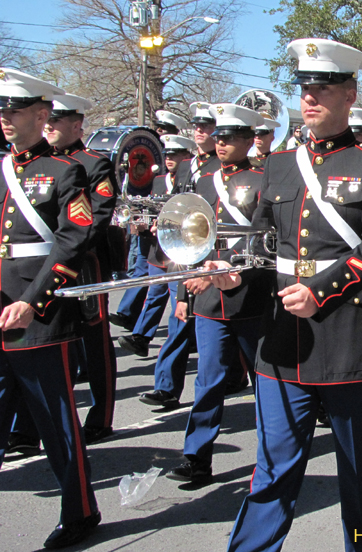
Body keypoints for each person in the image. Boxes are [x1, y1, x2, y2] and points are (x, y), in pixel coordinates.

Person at [224, 39, 362, 552]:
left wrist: (321, 290)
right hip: (281, 341)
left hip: (349, 337)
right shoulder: (279, 165)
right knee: (273, 465)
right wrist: (233, 275)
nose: (310, 98)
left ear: (349, 94)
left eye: (322, 88)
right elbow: (260, 243)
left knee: (358, 467)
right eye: (304, 88)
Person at [0, 68, 100, 548]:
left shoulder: (64, 171)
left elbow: (74, 238)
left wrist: (30, 300)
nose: (4, 118)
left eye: (13, 110)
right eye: (1, 110)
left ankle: (79, 510)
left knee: (55, 421)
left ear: (41, 116)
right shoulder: (1, 169)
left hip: (36, 312)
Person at [165, 103, 269, 484]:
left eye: (229, 138)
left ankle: (272, 457)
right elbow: (188, 241)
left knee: (264, 382)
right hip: (208, 298)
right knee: (207, 380)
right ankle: (197, 456)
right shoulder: (204, 179)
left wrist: (226, 271)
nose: (221, 144)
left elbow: (265, 239)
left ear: (247, 140)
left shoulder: (263, 179)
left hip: (251, 293)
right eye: (218, 137)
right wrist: (181, 293)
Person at [45, 93, 119, 443]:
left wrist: (71, 249)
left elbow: (100, 214)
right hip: (44, 264)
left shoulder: (94, 163)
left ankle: (101, 417)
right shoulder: (38, 164)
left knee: (95, 341)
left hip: (84, 264)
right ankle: (32, 426)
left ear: (76, 125)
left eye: (56, 121)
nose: (49, 126)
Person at [139, 103, 218, 409]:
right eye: (197, 125)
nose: (200, 130)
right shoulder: (187, 167)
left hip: (211, 252)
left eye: (207, 126)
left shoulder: (218, 168)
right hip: (183, 252)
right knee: (180, 317)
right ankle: (167, 386)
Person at [117, 134, 194, 357]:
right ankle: (141, 336)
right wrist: (142, 223)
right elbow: (150, 208)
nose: (169, 159)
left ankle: (175, 344)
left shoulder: (189, 179)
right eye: (167, 155)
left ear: (186, 156)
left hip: (179, 248)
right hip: (158, 246)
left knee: (177, 299)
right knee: (155, 292)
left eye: (175, 155)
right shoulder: (159, 179)